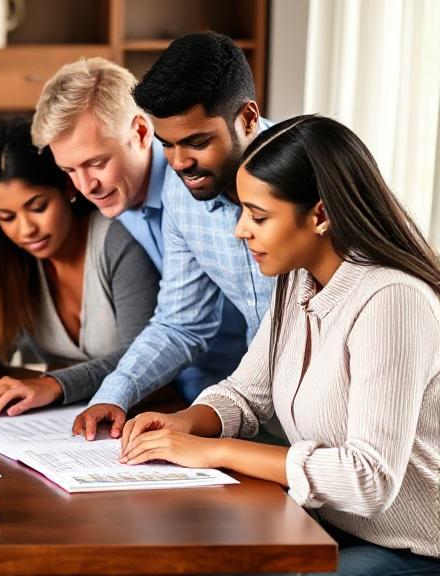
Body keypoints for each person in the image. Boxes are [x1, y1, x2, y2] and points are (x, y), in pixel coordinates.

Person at [119, 115, 440, 576]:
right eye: (243, 211)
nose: (241, 230)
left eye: (259, 216)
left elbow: (367, 479)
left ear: (321, 214)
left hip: (413, 547)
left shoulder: (392, 300)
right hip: (332, 524)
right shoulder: (299, 280)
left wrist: (215, 451)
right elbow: (247, 394)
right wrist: (184, 423)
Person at [66, 32, 276, 440]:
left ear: (248, 118)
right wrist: (115, 393)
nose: (180, 163)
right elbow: (183, 324)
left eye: (198, 142)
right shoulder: (182, 192)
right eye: (168, 145)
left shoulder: (318, 172)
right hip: (256, 408)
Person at [32, 55, 250, 406]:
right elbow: (180, 321)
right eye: (70, 170)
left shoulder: (208, 176)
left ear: (141, 131)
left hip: (259, 394)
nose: (86, 185)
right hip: (184, 396)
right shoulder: (114, 199)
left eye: (97, 163)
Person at [0, 117, 159, 417]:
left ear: (67, 188)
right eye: (7, 217)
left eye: (38, 207)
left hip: (150, 409)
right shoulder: (17, 257)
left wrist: (54, 384)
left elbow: (145, 357)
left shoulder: (117, 240)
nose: (26, 229)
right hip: (71, 421)